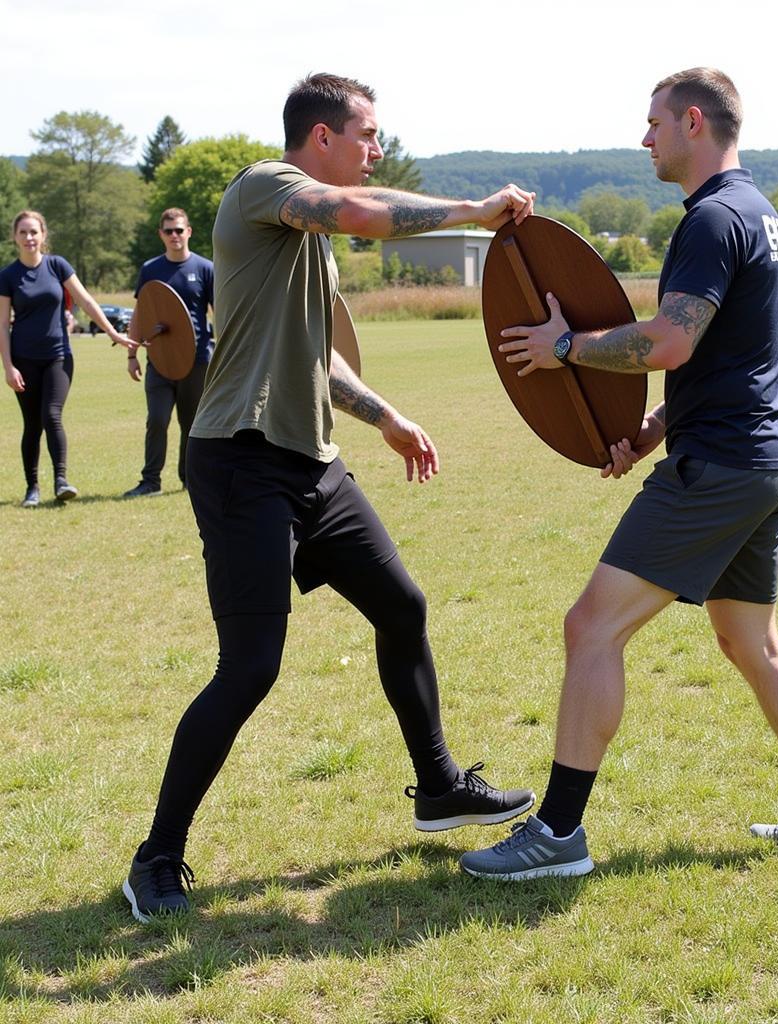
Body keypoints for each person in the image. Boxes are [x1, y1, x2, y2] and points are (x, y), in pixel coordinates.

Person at [122, 72, 538, 922]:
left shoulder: (301, 243)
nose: (377, 148)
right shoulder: (266, 189)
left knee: (403, 606)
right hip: (240, 462)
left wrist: (385, 417)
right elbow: (365, 214)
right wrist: (473, 208)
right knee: (249, 669)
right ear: (322, 138)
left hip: (312, 461)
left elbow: (317, 354)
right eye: (368, 135)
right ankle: (155, 860)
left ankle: (437, 786)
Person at [461, 68, 778, 881]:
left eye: (652, 123)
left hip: (719, 467)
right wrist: (648, 430)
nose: (644, 137)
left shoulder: (713, 219)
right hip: (765, 460)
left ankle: (560, 835)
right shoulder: (760, 214)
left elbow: (671, 344)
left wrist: (566, 348)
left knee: (591, 627)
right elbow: (724, 360)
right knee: (750, 640)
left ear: (692, 122)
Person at [0, 210, 136, 507]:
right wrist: (8, 366)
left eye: (34, 232)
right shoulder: (7, 276)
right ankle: (32, 488)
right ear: (15, 237)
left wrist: (114, 333)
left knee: (52, 414)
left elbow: (86, 301)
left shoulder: (57, 266)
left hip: (58, 357)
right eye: (23, 232)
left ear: (43, 235)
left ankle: (61, 481)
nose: (29, 238)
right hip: (23, 360)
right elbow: (1, 325)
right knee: (32, 424)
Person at [123, 208, 215, 497]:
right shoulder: (150, 269)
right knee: (157, 419)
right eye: (168, 231)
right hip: (159, 360)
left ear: (188, 232)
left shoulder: (204, 269)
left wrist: (225, 350)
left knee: (192, 425)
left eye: (179, 230)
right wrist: (131, 353)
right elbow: (140, 312)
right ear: (160, 235)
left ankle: (191, 479)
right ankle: (150, 481)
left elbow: (220, 313)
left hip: (197, 360)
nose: (174, 236)